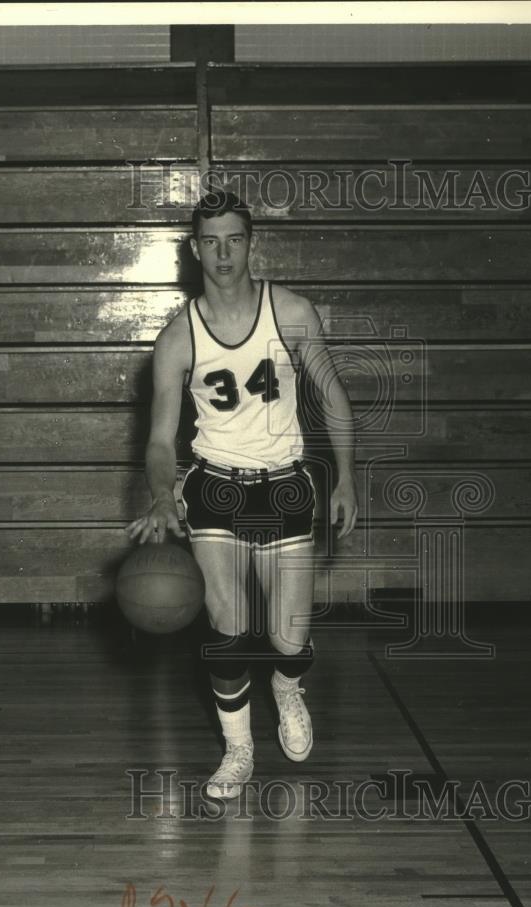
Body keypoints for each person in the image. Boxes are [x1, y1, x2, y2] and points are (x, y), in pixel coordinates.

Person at [127, 191, 357, 799]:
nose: (223, 253)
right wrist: (158, 495)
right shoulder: (177, 338)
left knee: (289, 638)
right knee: (227, 629)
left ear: (251, 244)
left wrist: (348, 478)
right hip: (214, 489)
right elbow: (157, 440)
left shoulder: (294, 312)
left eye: (234, 240)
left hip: (283, 487)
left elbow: (334, 399)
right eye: (211, 241)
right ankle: (238, 750)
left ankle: (287, 688)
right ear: (194, 248)